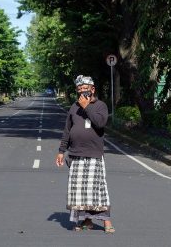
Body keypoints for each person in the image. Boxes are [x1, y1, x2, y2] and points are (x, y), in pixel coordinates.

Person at [55, 75, 115, 233]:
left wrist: (87, 106)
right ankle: (85, 220)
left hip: (94, 154)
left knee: (99, 191)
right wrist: (61, 151)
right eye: (79, 89)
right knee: (78, 192)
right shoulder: (74, 107)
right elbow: (67, 130)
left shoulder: (100, 105)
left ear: (92, 89)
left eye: (85, 89)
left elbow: (100, 123)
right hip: (75, 154)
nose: (82, 92)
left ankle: (106, 222)